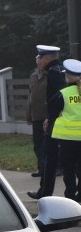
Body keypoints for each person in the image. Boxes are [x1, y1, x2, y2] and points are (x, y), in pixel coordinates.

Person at [27, 45, 66, 200]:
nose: (38, 61)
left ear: (48, 58)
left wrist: (50, 118)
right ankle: (45, 191)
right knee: (51, 156)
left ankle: (47, 192)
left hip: (56, 122)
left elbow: (58, 99)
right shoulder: (54, 71)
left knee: (54, 157)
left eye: (40, 58)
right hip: (55, 121)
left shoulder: (55, 74)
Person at [50, 58, 81, 200]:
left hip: (68, 139)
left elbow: (52, 111)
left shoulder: (64, 93)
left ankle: (70, 194)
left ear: (68, 76)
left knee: (68, 168)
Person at [27, 59, 48, 177]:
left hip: (47, 116)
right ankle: (41, 168)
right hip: (36, 116)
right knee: (37, 144)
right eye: (38, 62)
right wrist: (29, 114)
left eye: (41, 61)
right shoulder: (33, 76)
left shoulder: (50, 76)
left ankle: (53, 168)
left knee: (49, 145)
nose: (39, 64)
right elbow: (30, 97)